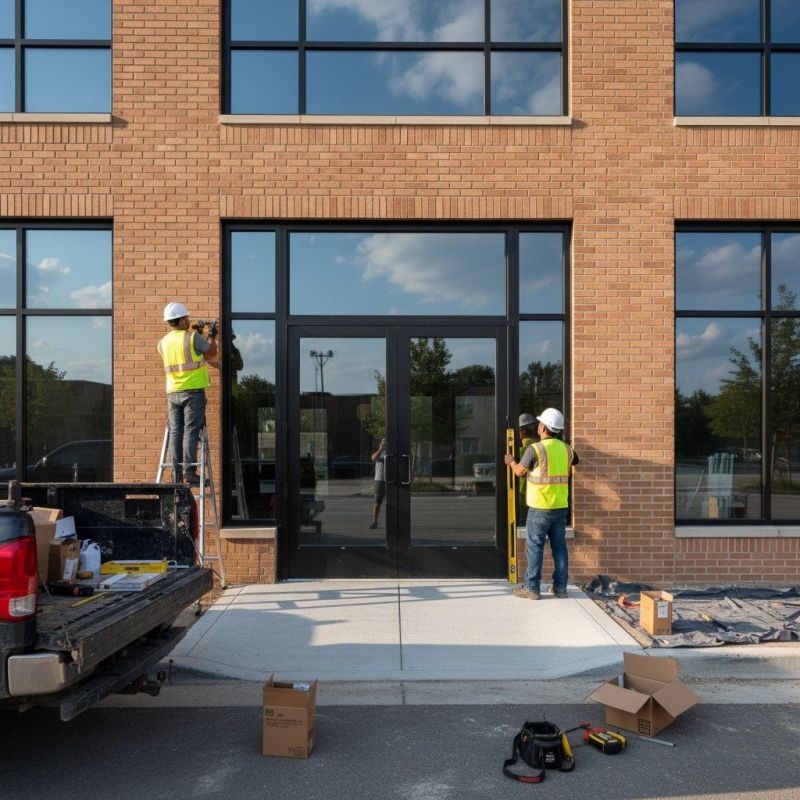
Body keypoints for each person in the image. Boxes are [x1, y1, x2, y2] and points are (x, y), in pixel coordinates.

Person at [504, 408, 578, 600]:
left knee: (535, 547)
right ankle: (560, 588)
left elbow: (520, 471)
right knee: (559, 547)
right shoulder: (567, 449)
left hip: (540, 508)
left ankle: (532, 588)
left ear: (543, 427)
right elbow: (575, 461)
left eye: (539, 424)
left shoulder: (535, 449)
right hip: (560, 507)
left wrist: (511, 461)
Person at [157, 302, 218, 484]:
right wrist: (211, 335)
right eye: (187, 318)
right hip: (192, 392)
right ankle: (189, 472)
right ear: (183, 320)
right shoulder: (191, 338)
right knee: (191, 431)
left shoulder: (163, 342)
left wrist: (197, 334)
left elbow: (184, 355)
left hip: (172, 392)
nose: (189, 320)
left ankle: (176, 472)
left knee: (176, 431)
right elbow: (212, 352)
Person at [369, 438, 386, 529]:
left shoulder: (393, 452)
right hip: (379, 479)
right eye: (383, 442)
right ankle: (375, 521)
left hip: (391, 479)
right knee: (377, 502)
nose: (384, 444)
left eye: (386, 443)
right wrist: (380, 449)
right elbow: (373, 458)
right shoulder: (380, 452)